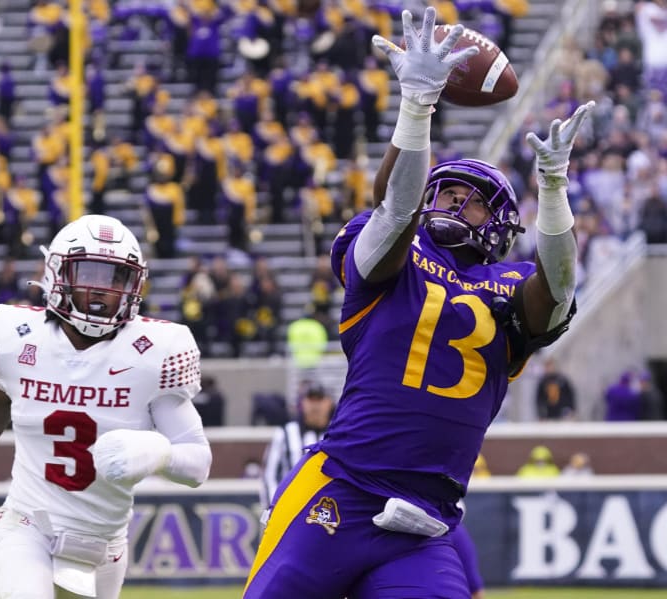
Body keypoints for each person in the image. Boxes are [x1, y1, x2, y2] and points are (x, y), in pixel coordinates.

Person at [243, 7, 594, 598]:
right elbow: (396, 209)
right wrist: (417, 105)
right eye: (447, 192)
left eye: (473, 200)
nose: (456, 205)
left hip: (424, 523)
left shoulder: (508, 285)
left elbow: (557, 290)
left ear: (503, 224)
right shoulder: (391, 259)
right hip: (340, 490)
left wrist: (553, 192)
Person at [0, 214, 212, 599]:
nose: (102, 290)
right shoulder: (16, 338)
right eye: (90, 274)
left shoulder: (154, 352)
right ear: (56, 274)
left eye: (116, 278)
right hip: (28, 526)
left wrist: (160, 454)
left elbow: (197, 463)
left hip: (104, 542)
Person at [260, 383, 335, 513]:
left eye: (320, 400)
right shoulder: (285, 433)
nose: (315, 406)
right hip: (291, 511)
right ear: (303, 403)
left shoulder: (338, 434)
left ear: (329, 403)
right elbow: (269, 477)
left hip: (329, 511)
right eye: (311, 400)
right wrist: (275, 510)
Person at [535, 355, 576, 420]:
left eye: (550, 366)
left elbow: (570, 396)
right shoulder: (543, 382)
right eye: (547, 366)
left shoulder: (562, 380)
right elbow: (539, 399)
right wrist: (540, 414)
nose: (549, 368)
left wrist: (571, 410)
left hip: (562, 413)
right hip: (548, 414)